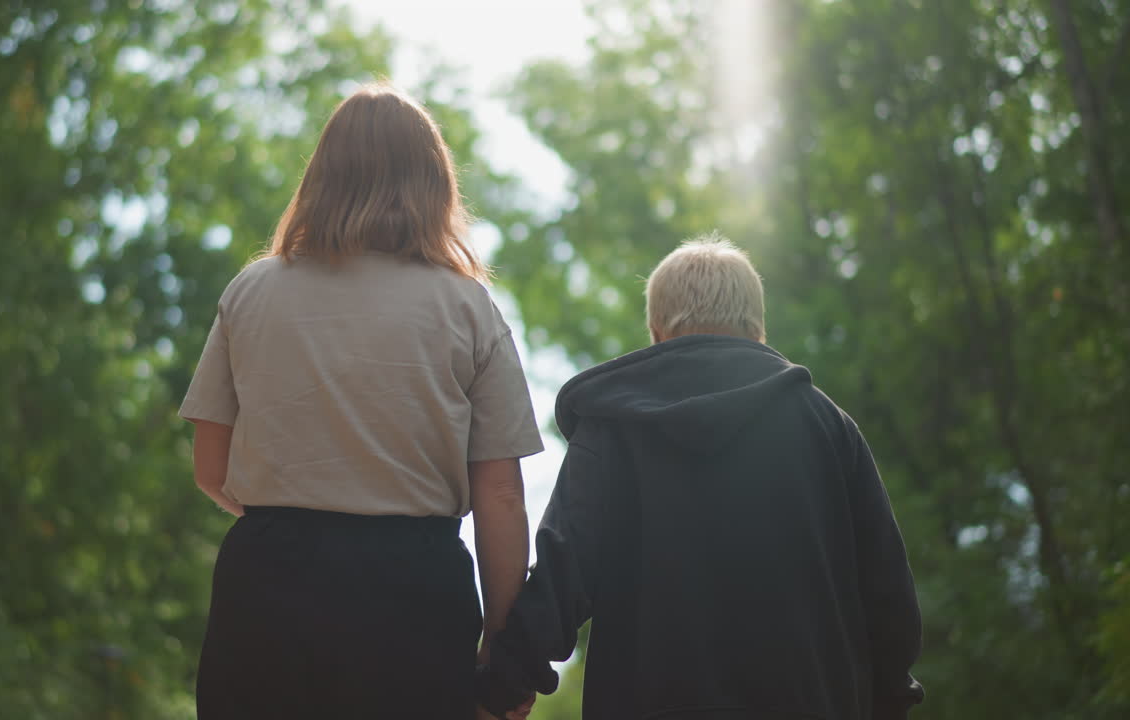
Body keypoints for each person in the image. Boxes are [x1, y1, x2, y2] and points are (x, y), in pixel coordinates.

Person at [178, 83, 544, 719]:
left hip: (268, 582)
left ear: (322, 174)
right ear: (434, 182)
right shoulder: (468, 307)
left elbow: (209, 468)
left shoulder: (252, 291)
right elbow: (503, 494)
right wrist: (504, 650)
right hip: (412, 595)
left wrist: (297, 517)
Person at [476, 235, 924, 720]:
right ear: (758, 330)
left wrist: (504, 681)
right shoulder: (827, 427)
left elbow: (566, 567)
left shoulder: (615, 429)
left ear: (656, 331)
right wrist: (890, 699)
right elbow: (886, 592)